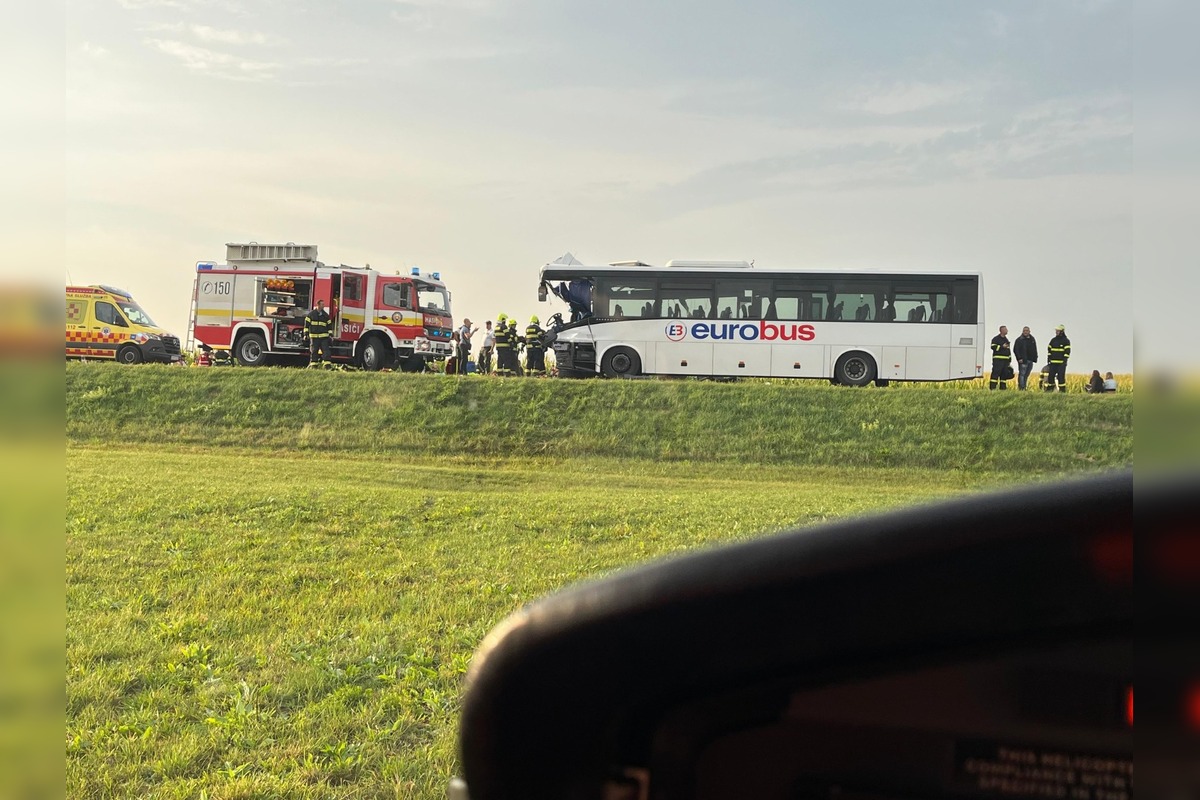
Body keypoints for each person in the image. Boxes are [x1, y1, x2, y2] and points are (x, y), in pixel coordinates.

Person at [304, 298, 332, 367]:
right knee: (314, 352)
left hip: (324, 337)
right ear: (318, 305)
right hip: (314, 337)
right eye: (322, 304)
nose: (323, 306)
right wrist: (305, 334)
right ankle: (314, 365)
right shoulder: (311, 315)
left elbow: (329, 326)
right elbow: (306, 325)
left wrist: (330, 335)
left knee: (326, 352)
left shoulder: (325, 315)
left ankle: (327, 365)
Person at [1046, 324, 1071, 393]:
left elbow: (1067, 352)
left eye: (1058, 331)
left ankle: (1062, 390)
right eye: (1056, 330)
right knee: (1050, 376)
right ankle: (1049, 389)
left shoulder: (1066, 341)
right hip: (1053, 363)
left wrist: (1064, 361)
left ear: (1062, 331)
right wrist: (1049, 359)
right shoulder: (1053, 340)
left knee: (1061, 377)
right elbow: (1049, 350)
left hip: (1061, 363)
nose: (1056, 332)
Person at [1013, 326, 1038, 390]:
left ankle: (1024, 387)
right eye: (1024, 331)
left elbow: (1034, 349)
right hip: (1023, 360)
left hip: (1030, 360)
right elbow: (1016, 350)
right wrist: (1019, 358)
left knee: (1026, 374)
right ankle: (1021, 388)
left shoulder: (1032, 339)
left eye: (1027, 331)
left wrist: (1035, 358)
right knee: (1022, 374)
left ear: (1029, 331)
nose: (1025, 332)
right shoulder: (1019, 340)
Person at [989, 325, 1011, 390]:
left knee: (1004, 375)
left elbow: (1008, 350)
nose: (1007, 330)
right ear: (1001, 330)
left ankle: (1003, 388)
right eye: (1005, 329)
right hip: (998, 360)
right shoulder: (996, 339)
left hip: (1005, 361)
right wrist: (1002, 347)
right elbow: (993, 347)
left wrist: (1009, 359)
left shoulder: (1006, 339)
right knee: (995, 374)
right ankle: (993, 388)